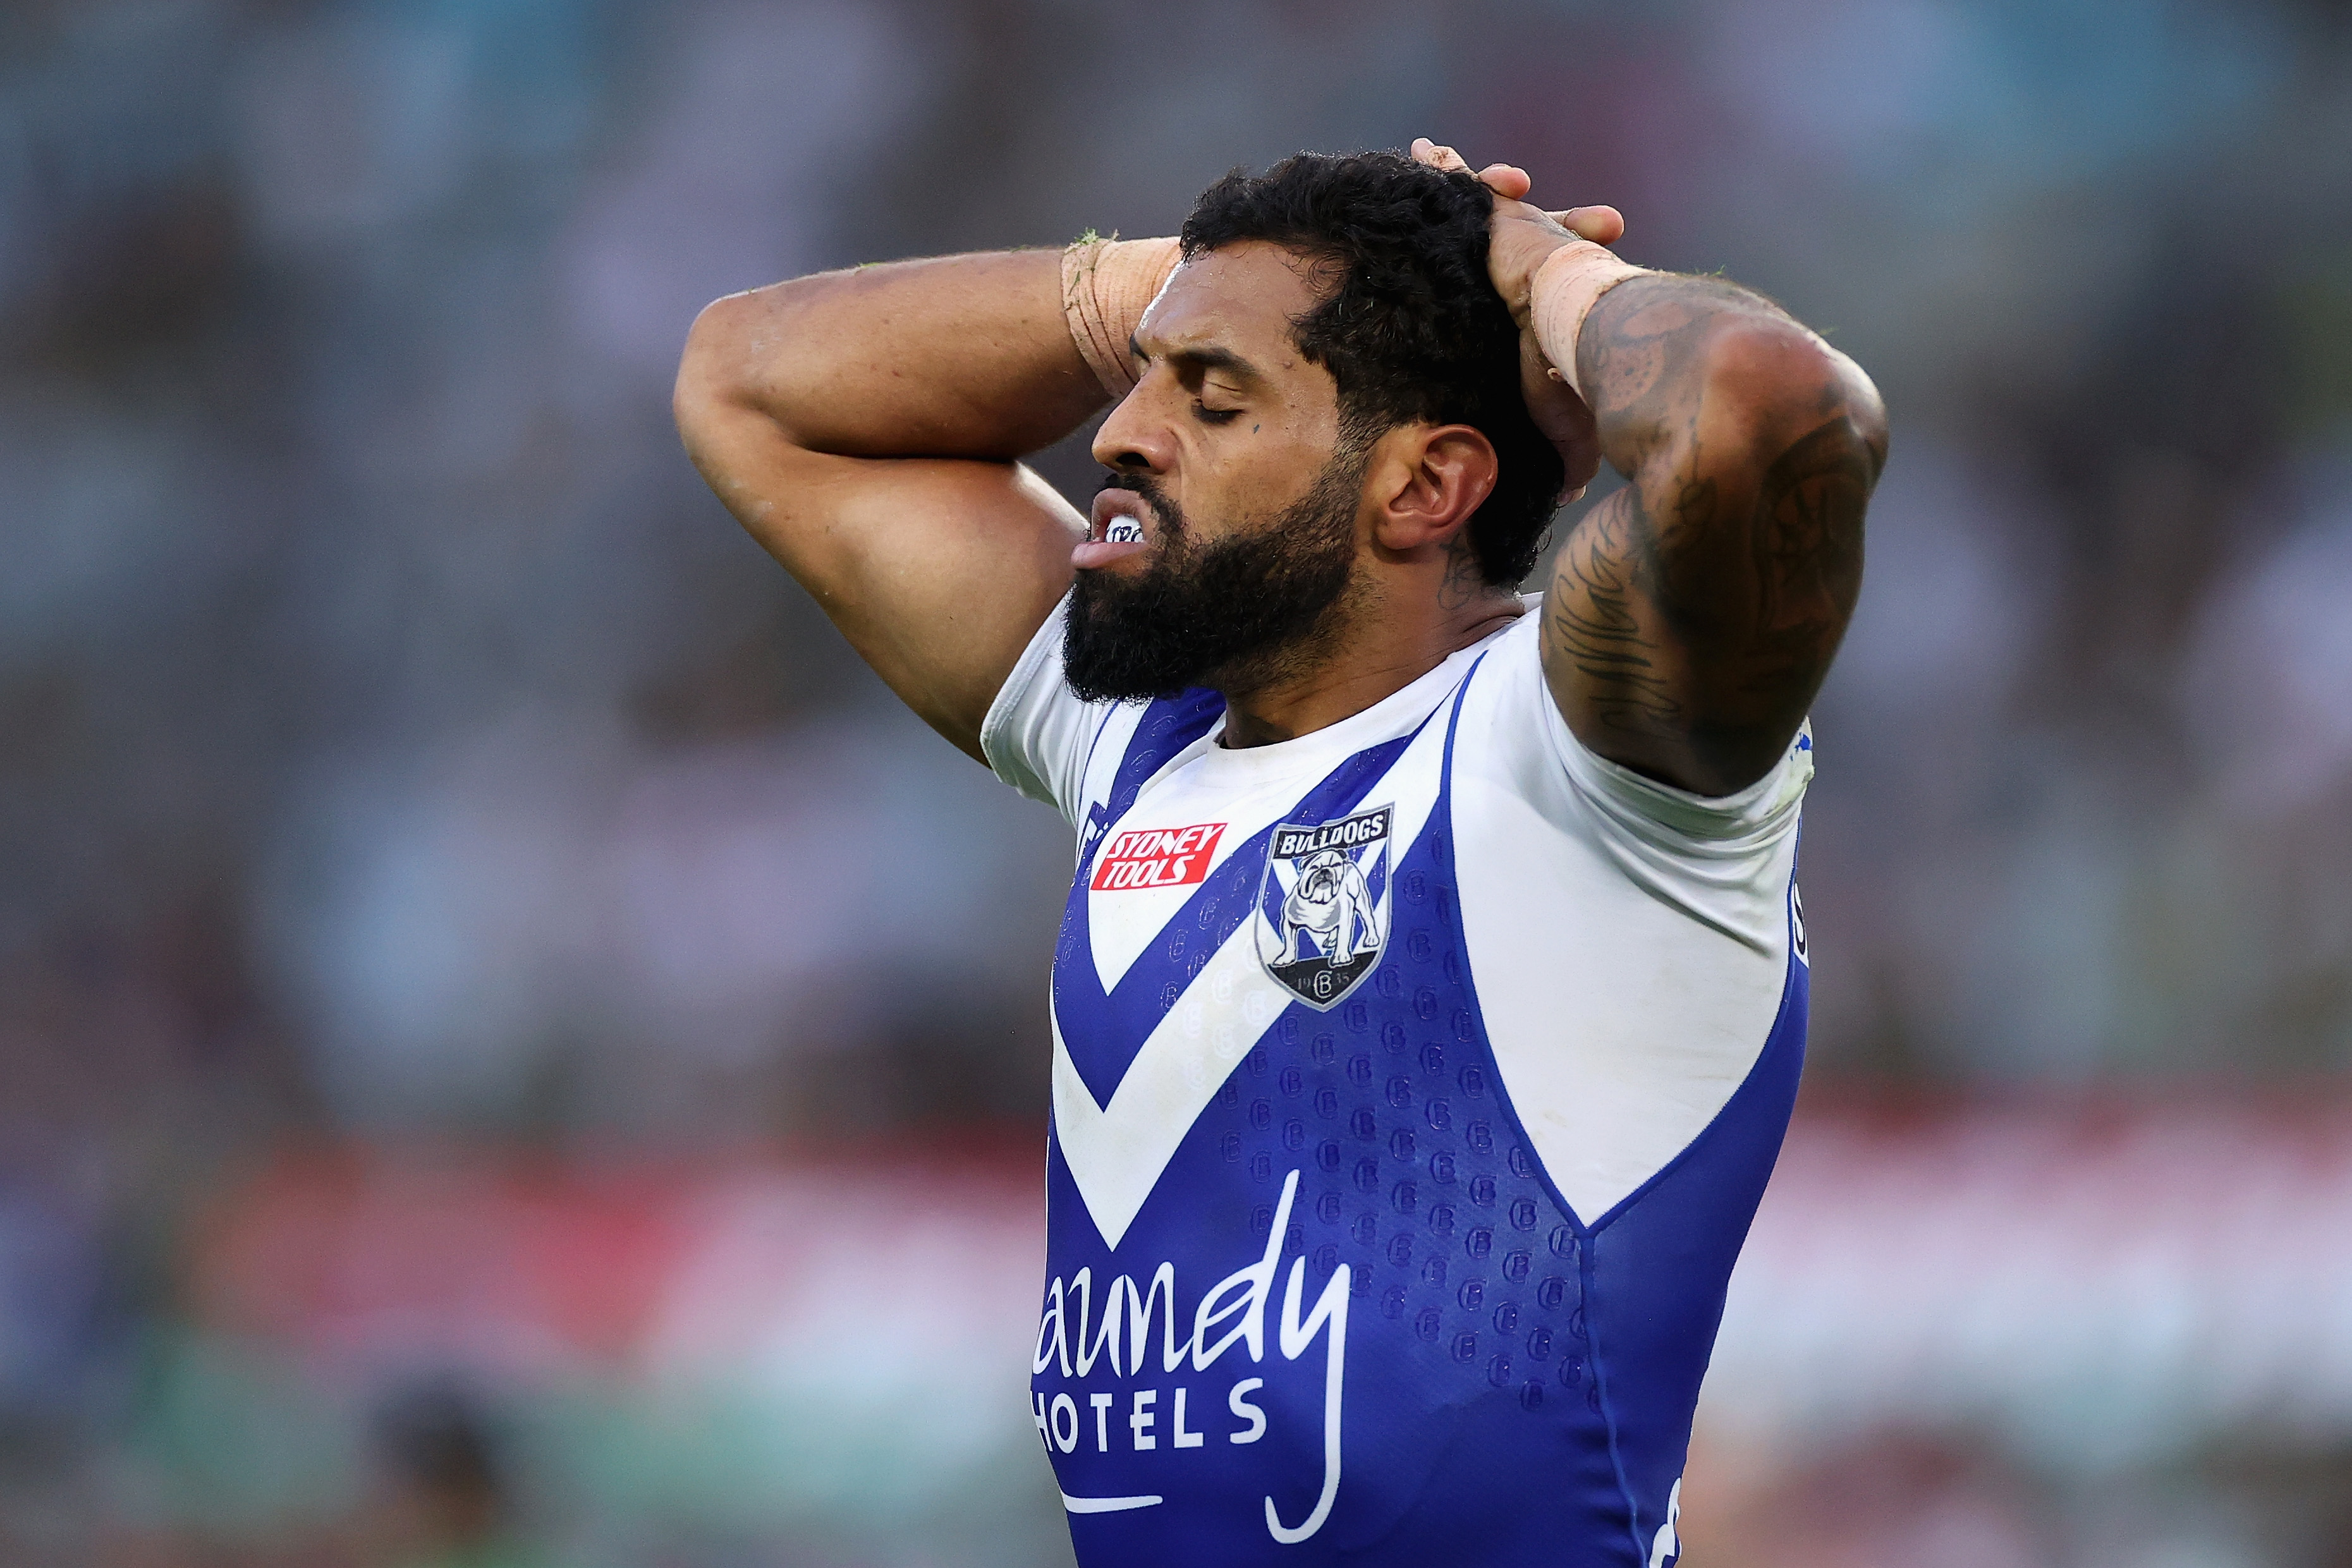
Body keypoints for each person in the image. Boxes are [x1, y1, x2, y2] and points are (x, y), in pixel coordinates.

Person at [674, 138, 1884, 1567]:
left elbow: (1770, 413)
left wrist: (1541, 270)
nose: (1118, 432)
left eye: (1213, 395)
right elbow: (744, 381)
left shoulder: (1577, 758)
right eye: (1142, 375)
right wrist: (1181, 283)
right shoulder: (1132, 745)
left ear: (1423, 485)